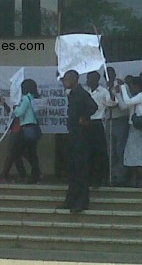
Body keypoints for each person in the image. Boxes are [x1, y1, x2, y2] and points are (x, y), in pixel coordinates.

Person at [57, 70, 97, 213]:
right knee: (72, 169)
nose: (64, 82)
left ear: (74, 79)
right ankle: (71, 199)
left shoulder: (81, 93)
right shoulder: (72, 95)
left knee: (81, 169)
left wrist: (84, 117)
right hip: (73, 134)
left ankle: (81, 201)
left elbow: (93, 106)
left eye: (66, 79)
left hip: (81, 136)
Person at [0, 79, 42, 184]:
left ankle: (28, 175)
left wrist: (15, 109)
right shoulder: (34, 98)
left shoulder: (25, 98)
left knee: (17, 152)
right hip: (34, 127)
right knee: (32, 153)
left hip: (26, 127)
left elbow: (19, 112)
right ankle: (35, 176)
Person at [118, 76, 142, 187]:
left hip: (138, 128)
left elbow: (128, 102)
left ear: (137, 86)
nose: (131, 88)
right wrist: (117, 94)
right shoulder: (136, 97)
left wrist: (123, 87)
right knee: (132, 154)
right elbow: (123, 106)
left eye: (132, 86)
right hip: (133, 128)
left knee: (135, 155)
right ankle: (135, 179)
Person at [85, 71, 113, 186]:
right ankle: (89, 177)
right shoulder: (85, 91)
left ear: (96, 80)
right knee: (87, 152)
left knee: (99, 152)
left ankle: (100, 177)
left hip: (97, 123)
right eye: (87, 78)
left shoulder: (103, 91)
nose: (88, 81)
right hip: (86, 123)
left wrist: (112, 91)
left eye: (90, 78)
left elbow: (111, 103)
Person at [104, 67, 129, 186]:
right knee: (111, 150)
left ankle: (121, 176)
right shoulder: (104, 88)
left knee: (120, 149)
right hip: (109, 120)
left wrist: (115, 91)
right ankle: (112, 175)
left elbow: (124, 103)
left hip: (120, 119)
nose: (108, 77)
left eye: (110, 74)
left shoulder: (121, 86)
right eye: (106, 75)